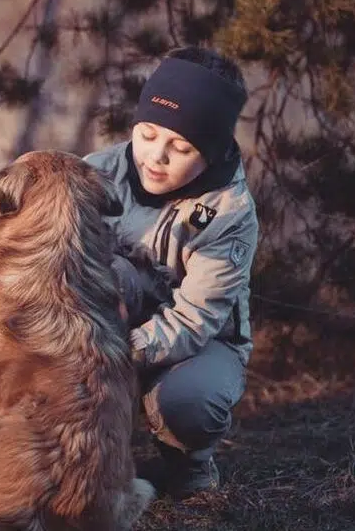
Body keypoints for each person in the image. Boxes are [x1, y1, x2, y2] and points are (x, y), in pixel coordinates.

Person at [84, 46, 259, 499]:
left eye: (180, 147)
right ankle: (82, 454)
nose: (155, 156)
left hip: (196, 344)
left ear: (213, 149)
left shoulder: (229, 213)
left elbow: (193, 321)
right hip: (108, 324)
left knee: (191, 402)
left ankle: (189, 463)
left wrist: (114, 355)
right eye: (146, 134)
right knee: (112, 273)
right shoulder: (96, 172)